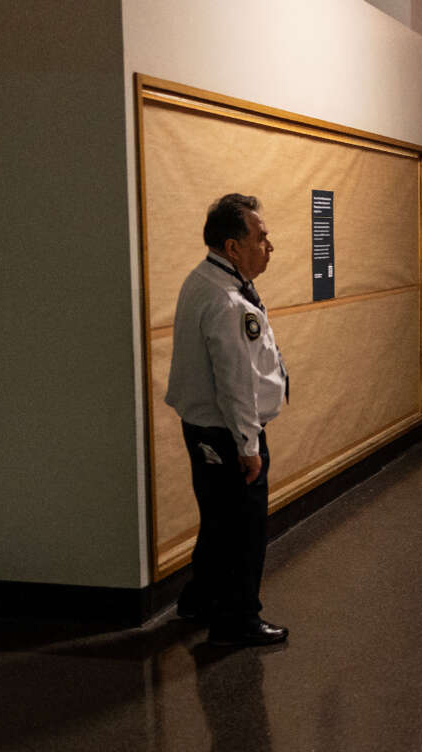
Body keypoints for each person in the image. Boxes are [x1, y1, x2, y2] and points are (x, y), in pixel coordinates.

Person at [166, 193, 289, 647]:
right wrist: (249, 445)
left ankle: (200, 598)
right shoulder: (225, 300)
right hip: (227, 430)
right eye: (260, 237)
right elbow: (235, 381)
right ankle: (238, 619)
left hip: (205, 428)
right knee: (244, 527)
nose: (268, 246)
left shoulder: (206, 280)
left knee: (218, 517)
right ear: (233, 246)